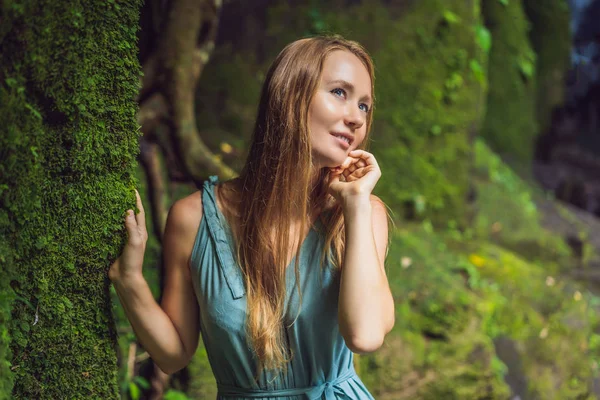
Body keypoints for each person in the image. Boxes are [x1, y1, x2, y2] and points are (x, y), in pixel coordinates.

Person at [109, 35, 395, 400]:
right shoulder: (193, 219)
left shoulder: (363, 215)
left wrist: (354, 205)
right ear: (290, 96)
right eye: (340, 92)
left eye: (365, 106)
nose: (356, 118)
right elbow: (173, 354)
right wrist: (129, 278)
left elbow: (365, 335)